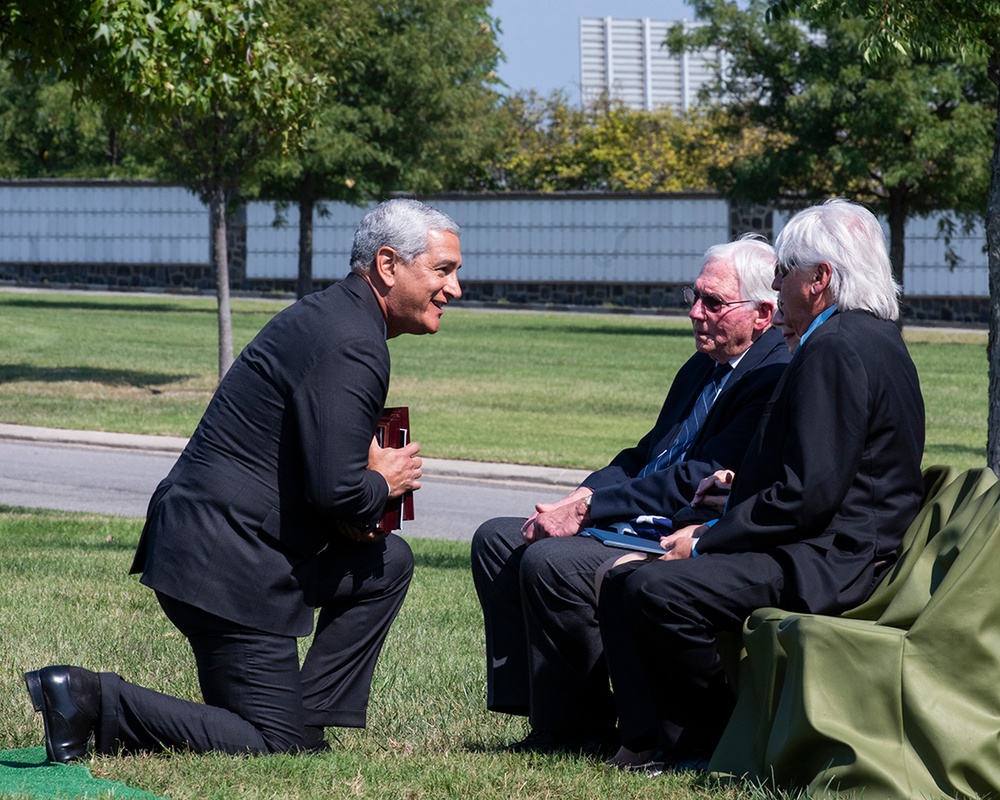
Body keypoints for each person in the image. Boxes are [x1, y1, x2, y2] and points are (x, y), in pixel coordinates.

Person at [24, 198, 463, 762]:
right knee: (268, 747)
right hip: (225, 566)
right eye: (443, 270)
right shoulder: (354, 341)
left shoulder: (333, 316)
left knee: (387, 565)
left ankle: (305, 716)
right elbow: (337, 490)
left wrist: (359, 507)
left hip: (225, 547)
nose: (454, 290)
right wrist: (385, 483)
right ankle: (88, 696)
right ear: (387, 264)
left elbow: (315, 480)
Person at [598, 198, 926, 772]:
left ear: (819, 279)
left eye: (783, 272)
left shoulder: (836, 347)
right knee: (630, 583)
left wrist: (706, 540)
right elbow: (823, 472)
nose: (776, 285)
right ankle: (654, 740)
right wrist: (735, 492)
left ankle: (712, 744)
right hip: (827, 544)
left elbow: (809, 496)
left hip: (834, 563)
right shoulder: (872, 336)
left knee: (655, 590)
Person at [470, 236, 792, 755]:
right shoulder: (703, 366)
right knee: (498, 540)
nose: (695, 312)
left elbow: (697, 479)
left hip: (675, 529)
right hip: (631, 517)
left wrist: (590, 510)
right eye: (694, 296)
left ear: (763, 314)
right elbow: (646, 454)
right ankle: (542, 714)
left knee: (554, 561)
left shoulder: (770, 375)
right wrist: (583, 491)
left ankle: (584, 729)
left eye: (713, 303)